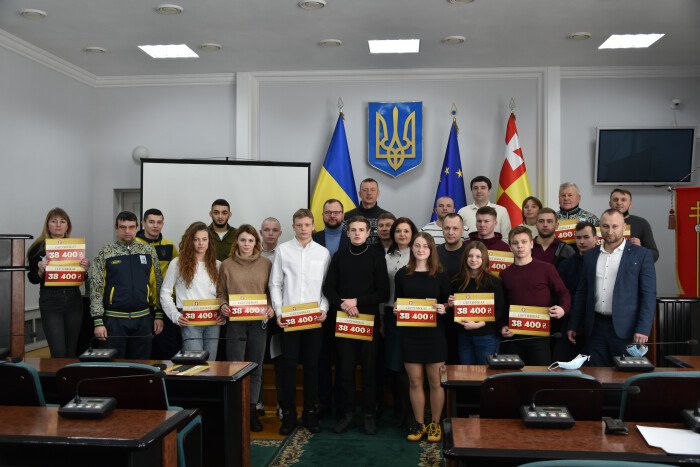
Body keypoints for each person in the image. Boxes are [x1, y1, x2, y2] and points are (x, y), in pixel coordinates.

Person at [323, 216, 389, 435]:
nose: (357, 233)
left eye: (361, 229)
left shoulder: (376, 256)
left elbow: (383, 292)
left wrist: (357, 302)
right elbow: (328, 288)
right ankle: (347, 414)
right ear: (348, 232)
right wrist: (344, 304)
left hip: (368, 321)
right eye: (353, 230)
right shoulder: (339, 256)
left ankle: (369, 415)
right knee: (345, 370)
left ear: (369, 233)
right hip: (344, 320)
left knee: (369, 370)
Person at [567, 209, 656, 366]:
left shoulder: (641, 255)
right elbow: (582, 292)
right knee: (596, 375)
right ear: (600, 227)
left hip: (627, 329)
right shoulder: (590, 255)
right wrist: (574, 323)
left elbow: (648, 294)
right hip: (595, 328)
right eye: (605, 226)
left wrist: (643, 328)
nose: (610, 231)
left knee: (625, 375)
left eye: (615, 226)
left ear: (624, 227)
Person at [270, 209, 331, 435]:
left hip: (314, 319)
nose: (303, 228)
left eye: (307, 224)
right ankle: (288, 415)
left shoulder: (323, 253)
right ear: (293, 226)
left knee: (312, 366)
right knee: (288, 366)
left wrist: (324, 308)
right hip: (289, 319)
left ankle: (310, 414)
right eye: (299, 225)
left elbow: (326, 287)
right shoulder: (283, 250)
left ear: (313, 226)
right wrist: (279, 312)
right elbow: (275, 284)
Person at [394, 232, 450, 443]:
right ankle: (419, 423)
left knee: (436, 382)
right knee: (415, 381)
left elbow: (448, 302)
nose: (421, 249)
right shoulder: (402, 274)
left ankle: (435, 423)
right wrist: (397, 309)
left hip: (434, 335)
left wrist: (444, 307)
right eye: (417, 245)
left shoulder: (441, 274)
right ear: (412, 248)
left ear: (431, 249)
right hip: (410, 335)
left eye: (425, 246)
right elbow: (398, 302)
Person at [217, 224, 274, 431]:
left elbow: (271, 291)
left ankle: (251, 411)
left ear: (256, 242)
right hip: (235, 323)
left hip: (259, 322)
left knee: (256, 366)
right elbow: (221, 292)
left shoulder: (266, 264)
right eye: (243, 240)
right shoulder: (226, 265)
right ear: (237, 242)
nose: (247, 244)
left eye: (250, 240)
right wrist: (223, 305)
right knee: (235, 366)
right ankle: (236, 411)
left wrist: (271, 307)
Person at [89, 211, 163, 359]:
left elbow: (157, 284)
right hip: (114, 321)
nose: (127, 231)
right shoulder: (105, 252)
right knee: (115, 366)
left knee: (141, 365)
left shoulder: (148, 251)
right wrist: (98, 321)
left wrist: (159, 314)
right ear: (116, 228)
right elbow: (96, 287)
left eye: (131, 227)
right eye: (123, 227)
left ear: (137, 227)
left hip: (143, 320)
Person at [499, 226, 570, 365]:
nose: (520, 246)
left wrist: (563, 308)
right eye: (515, 243)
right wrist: (502, 326)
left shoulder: (547, 268)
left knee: (540, 375)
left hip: (540, 336)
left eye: (524, 242)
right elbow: (502, 305)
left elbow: (563, 292)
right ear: (510, 247)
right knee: (512, 375)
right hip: (513, 336)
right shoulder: (505, 274)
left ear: (531, 244)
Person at [27, 208, 90, 358]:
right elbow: (32, 278)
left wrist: (85, 269)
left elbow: (81, 277)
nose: (58, 225)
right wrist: (40, 271)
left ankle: (69, 374)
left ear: (68, 226)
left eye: (62, 221)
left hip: (74, 299)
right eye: (54, 221)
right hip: (50, 300)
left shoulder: (75, 247)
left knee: (71, 351)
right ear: (47, 224)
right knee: (58, 352)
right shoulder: (38, 248)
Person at [160, 221, 224, 364]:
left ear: (209, 242)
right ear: (190, 241)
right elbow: (165, 293)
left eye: (204, 239)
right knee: (194, 363)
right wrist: (175, 315)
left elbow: (222, 294)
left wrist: (223, 314)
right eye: (196, 239)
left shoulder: (218, 264)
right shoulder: (177, 263)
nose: (201, 243)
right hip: (190, 319)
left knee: (211, 363)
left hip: (213, 319)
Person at [313, 198, 350, 418]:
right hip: (318, 308)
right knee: (322, 358)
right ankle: (324, 402)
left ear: (343, 215)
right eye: (328, 212)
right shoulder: (313, 238)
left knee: (344, 359)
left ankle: (342, 405)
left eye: (336, 212)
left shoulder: (352, 236)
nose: (333, 216)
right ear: (323, 215)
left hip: (345, 308)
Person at [383, 217, 418, 428]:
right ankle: (399, 411)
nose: (402, 235)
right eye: (398, 231)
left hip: (414, 315)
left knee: (411, 366)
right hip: (390, 314)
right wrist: (381, 318)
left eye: (406, 231)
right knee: (394, 365)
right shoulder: (386, 257)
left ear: (412, 234)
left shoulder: (419, 255)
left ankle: (413, 413)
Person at [448, 241, 506, 364]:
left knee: (487, 373)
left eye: (478, 256)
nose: (473, 259)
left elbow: (499, 310)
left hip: (487, 337)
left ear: (484, 259)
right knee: (466, 373)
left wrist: (479, 324)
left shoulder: (494, 282)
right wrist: (451, 304)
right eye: (470, 256)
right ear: (465, 258)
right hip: (464, 336)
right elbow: (454, 311)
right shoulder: (457, 281)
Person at [136, 208, 180, 359]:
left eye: (159, 222)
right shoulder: (134, 245)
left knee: (168, 349)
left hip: (166, 304)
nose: (155, 226)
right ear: (143, 223)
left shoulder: (170, 245)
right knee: (144, 349)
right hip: (143, 304)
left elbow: (177, 273)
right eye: (151, 222)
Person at [554, 221, 597, 361]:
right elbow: (561, 296)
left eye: (586, 237)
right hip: (570, 322)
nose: (582, 241)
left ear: (596, 238)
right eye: (578, 238)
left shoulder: (603, 262)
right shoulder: (566, 264)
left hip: (596, 324)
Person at [259, 216, 283, 417]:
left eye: (274, 230)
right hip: (255, 315)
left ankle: (281, 404)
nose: (270, 233)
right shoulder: (252, 253)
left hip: (278, 317)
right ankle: (256, 403)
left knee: (279, 360)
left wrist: (275, 307)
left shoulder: (285, 253)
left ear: (280, 233)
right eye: (266, 230)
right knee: (256, 360)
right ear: (260, 233)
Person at [436, 213, 467, 364]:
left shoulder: (471, 252)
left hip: (465, 316)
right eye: (447, 228)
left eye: (455, 228)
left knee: (461, 362)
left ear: (462, 229)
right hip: (440, 315)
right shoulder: (434, 253)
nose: (450, 232)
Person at [609, 188, 659, 262]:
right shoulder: (601, 224)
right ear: (610, 204)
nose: (619, 202)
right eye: (615, 200)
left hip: (633, 267)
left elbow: (655, 255)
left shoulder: (642, 223)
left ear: (630, 204)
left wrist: (640, 248)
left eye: (623, 200)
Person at [344, 178, 388, 245]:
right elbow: (344, 241)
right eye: (365, 190)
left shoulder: (387, 217)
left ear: (378, 193)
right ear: (360, 194)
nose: (369, 193)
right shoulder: (348, 216)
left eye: (372, 190)